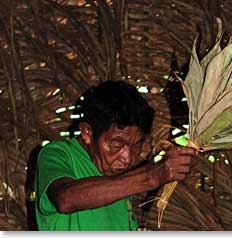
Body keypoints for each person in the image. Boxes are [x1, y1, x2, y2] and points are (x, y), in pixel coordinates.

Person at [35, 80, 196, 231]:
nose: (127, 158)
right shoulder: (58, 154)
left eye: (136, 145)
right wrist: (150, 177)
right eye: (116, 145)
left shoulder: (120, 183)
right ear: (87, 132)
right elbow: (65, 199)